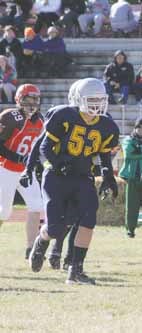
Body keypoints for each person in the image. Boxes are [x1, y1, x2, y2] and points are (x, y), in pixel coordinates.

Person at [29, 78, 120, 285]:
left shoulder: (107, 125)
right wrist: (59, 163)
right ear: (78, 99)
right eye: (92, 99)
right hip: (56, 176)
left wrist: (108, 176)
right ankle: (42, 239)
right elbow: (44, 148)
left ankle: (76, 270)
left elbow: (105, 156)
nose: (97, 104)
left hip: (82, 177)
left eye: (100, 99)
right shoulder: (64, 116)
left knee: (88, 220)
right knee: (56, 229)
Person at [0, 84, 44, 260]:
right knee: (4, 213)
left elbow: (37, 147)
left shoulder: (40, 121)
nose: (32, 103)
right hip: (5, 168)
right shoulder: (10, 117)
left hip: (24, 170)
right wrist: (17, 158)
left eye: (35, 99)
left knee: (36, 205)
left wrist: (36, 164)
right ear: (19, 99)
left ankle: (31, 249)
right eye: (28, 99)